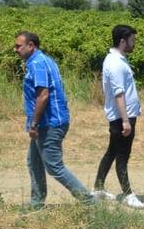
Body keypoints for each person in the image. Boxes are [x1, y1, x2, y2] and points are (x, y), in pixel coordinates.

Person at [13, 31, 93, 207]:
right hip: (47, 122)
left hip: (48, 123)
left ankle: (89, 201)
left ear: (31, 46)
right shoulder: (44, 60)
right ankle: (36, 203)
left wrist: (33, 124)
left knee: (54, 167)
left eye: (18, 46)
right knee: (33, 161)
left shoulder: (38, 64)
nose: (15, 49)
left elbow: (43, 96)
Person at [93, 24, 144, 208]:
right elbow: (118, 93)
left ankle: (98, 189)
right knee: (123, 155)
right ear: (123, 41)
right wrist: (125, 121)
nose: (134, 43)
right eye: (132, 40)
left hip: (123, 116)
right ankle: (128, 194)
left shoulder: (118, 59)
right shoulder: (114, 63)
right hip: (122, 117)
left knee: (112, 152)